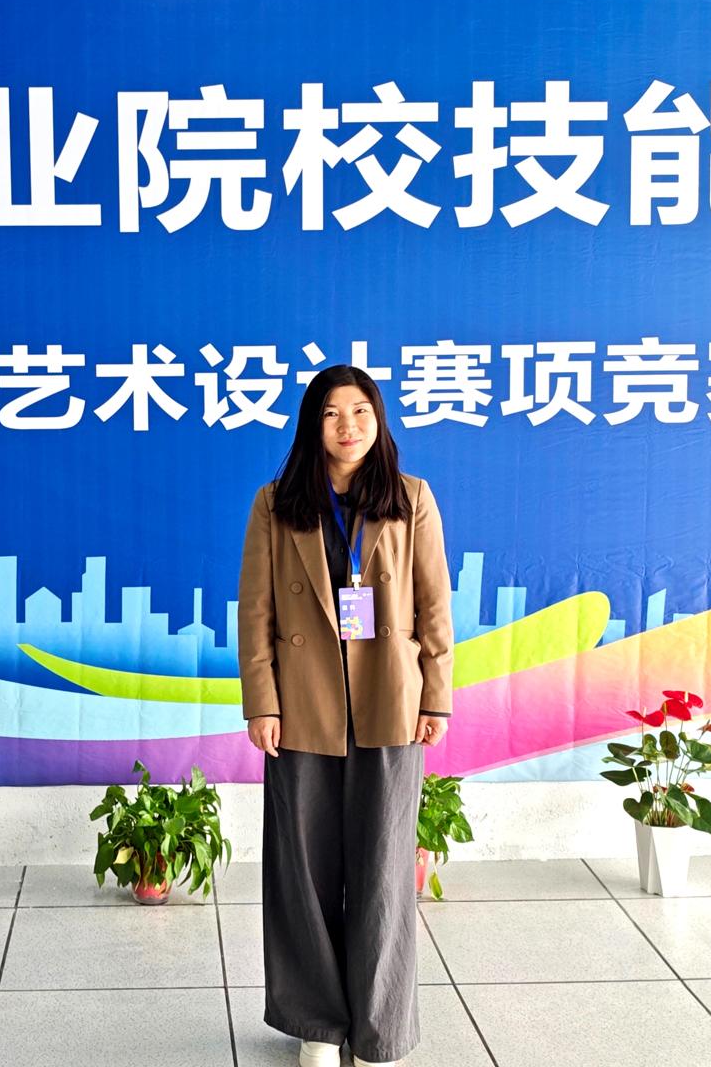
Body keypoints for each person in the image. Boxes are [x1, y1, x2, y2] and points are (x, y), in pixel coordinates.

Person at [237, 364, 454, 1067]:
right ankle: (316, 1024)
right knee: (302, 869)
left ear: (378, 420)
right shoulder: (276, 505)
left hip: (390, 700)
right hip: (302, 705)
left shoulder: (411, 499)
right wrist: (262, 703)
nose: (348, 426)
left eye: (360, 411)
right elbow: (257, 613)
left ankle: (380, 1029)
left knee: (384, 870)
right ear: (313, 424)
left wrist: (436, 695)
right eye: (331, 413)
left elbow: (435, 606)